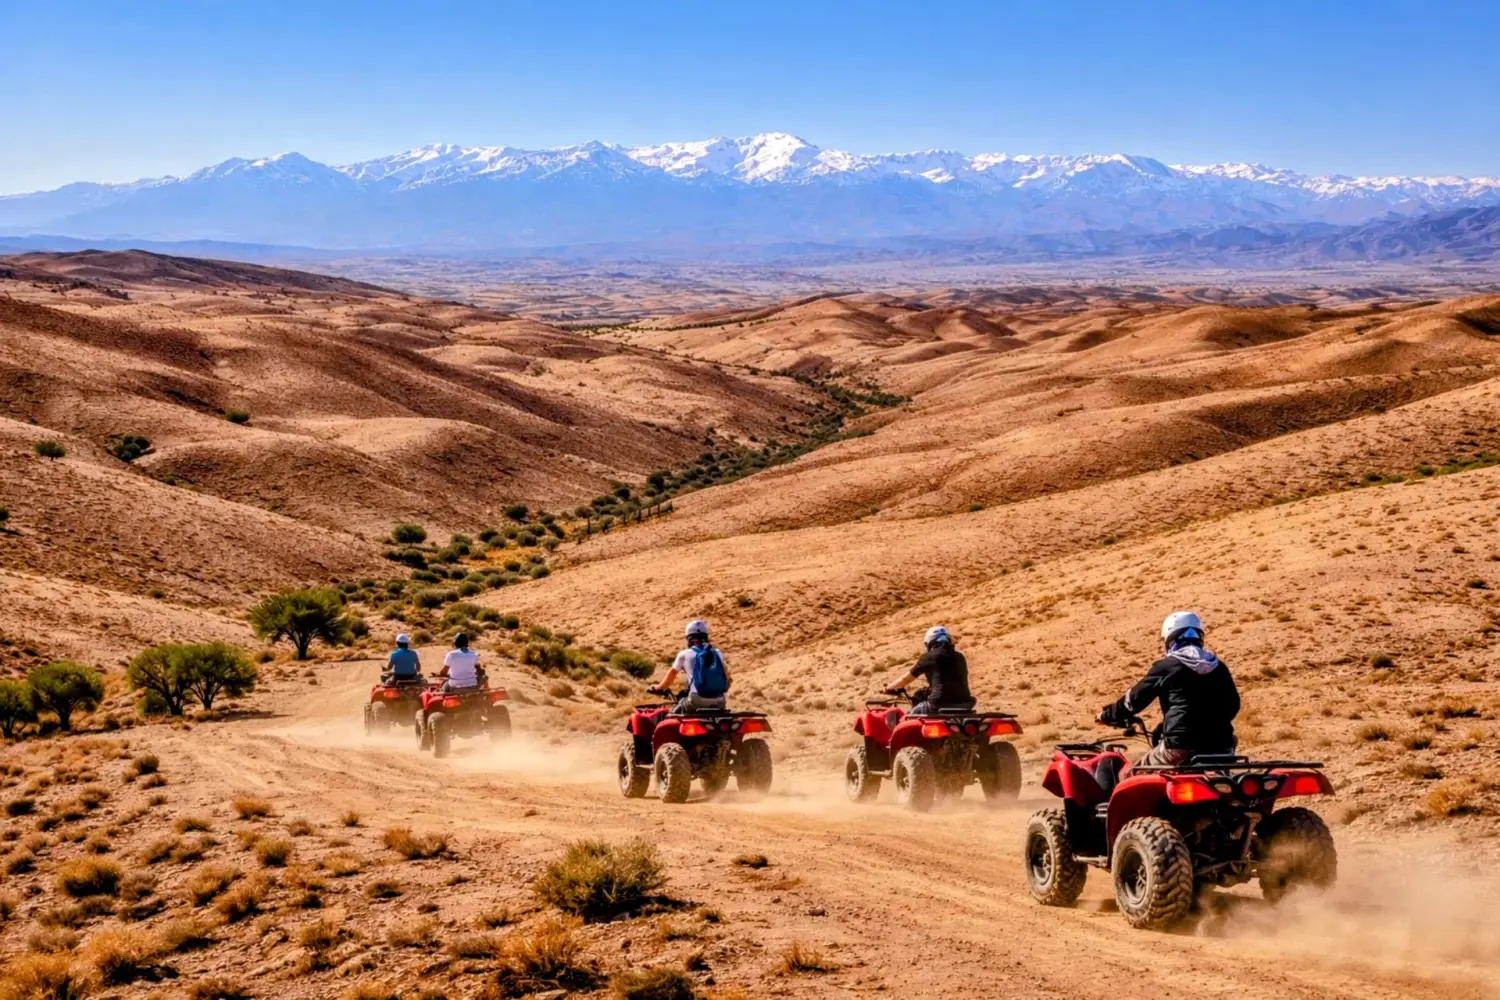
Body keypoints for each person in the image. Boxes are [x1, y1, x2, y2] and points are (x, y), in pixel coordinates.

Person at [1099, 611, 1240, 767]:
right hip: (1221, 747)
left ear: (1170, 639)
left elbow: (1133, 700)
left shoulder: (1166, 667)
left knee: (1131, 773)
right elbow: (1233, 706)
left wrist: (1107, 716)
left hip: (1179, 747)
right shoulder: (1218, 667)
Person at [886, 626, 973, 715]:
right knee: (922, 693)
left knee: (909, 716)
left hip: (939, 704)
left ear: (930, 643)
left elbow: (906, 679)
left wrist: (888, 688)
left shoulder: (930, 657)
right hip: (965, 703)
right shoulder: (960, 656)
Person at [651, 619, 731, 713]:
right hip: (719, 701)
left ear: (689, 638)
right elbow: (726, 677)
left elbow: (670, 677)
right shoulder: (718, 653)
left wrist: (657, 688)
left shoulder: (684, 654)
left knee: (672, 713)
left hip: (696, 701)